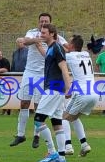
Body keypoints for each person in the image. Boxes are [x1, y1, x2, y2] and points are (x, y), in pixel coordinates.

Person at [10, 12, 67, 148]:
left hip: (43, 75)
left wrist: (54, 42)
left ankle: (37, 136)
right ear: (38, 22)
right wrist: (37, 40)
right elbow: (24, 41)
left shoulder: (55, 36)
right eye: (41, 21)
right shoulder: (33, 32)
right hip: (29, 72)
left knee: (37, 106)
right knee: (24, 103)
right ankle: (20, 134)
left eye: (46, 21)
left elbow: (66, 48)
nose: (43, 23)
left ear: (50, 23)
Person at [35, 24, 73, 162]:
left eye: (44, 33)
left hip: (55, 88)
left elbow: (64, 67)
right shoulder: (51, 48)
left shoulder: (57, 47)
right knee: (57, 123)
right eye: (41, 33)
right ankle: (61, 157)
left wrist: (68, 87)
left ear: (52, 34)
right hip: (56, 89)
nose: (41, 35)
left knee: (39, 120)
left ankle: (52, 151)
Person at [62, 35, 97, 156]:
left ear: (71, 45)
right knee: (74, 117)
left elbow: (58, 53)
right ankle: (84, 145)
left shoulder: (70, 56)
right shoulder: (86, 54)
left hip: (81, 94)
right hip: (93, 94)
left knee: (63, 118)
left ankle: (67, 146)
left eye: (69, 42)